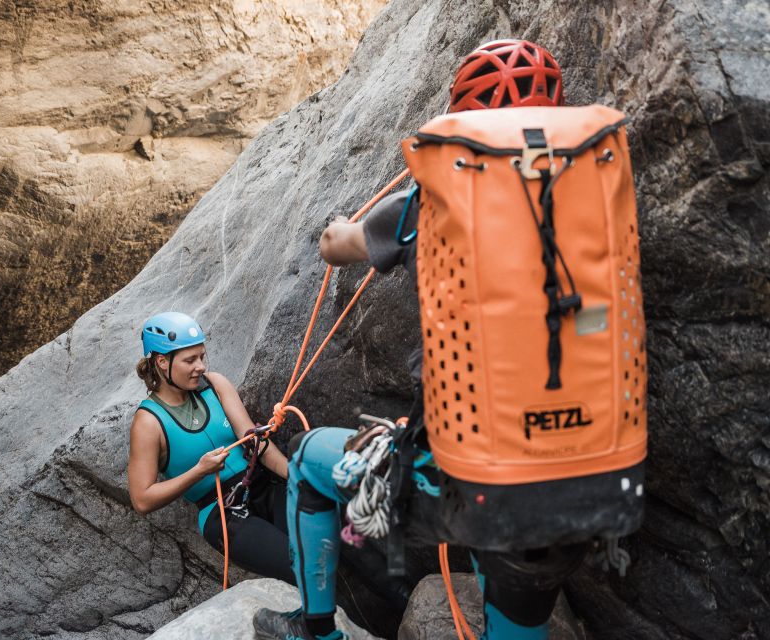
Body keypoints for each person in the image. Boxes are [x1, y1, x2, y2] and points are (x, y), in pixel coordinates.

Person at [253, 40, 587, 640]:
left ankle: (316, 631)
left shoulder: (430, 203)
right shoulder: (585, 204)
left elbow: (336, 244)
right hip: (568, 477)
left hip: (458, 470)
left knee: (306, 461)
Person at [127, 311, 295, 583]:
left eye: (202, 357)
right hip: (222, 515)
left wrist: (296, 475)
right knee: (294, 563)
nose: (201, 366)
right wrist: (199, 471)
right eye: (190, 360)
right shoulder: (148, 423)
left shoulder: (215, 386)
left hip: (262, 486)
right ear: (161, 362)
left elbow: (255, 443)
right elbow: (142, 499)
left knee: (328, 541)